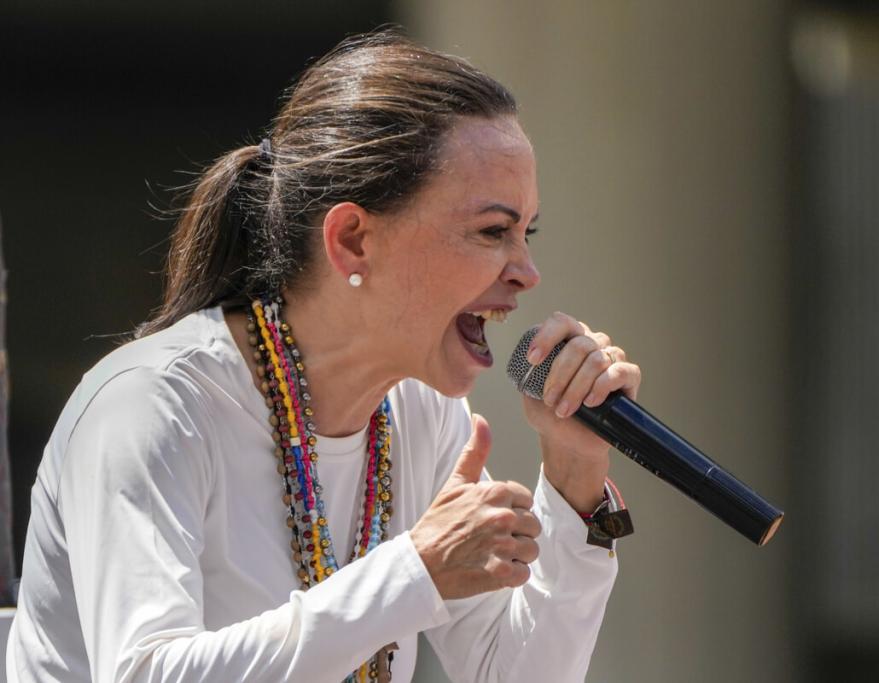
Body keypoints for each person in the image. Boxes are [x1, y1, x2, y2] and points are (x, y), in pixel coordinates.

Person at [6, 30, 641, 683]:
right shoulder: (152, 405)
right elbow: (145, 672)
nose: (526, 272)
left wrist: (573, 480)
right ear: (353, 239)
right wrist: (412, 571)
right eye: (492, 231)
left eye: (525, 232)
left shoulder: (421, 413)